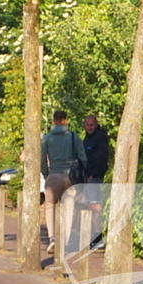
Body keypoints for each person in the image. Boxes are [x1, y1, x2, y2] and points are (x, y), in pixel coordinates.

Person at [40, 109, 87, 255]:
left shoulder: (47, 138)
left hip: (53, 175)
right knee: (68, 207)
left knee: (49, 206)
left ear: (54, 121)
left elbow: (42, 160)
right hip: (70, 177)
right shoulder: (73, 137)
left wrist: (47, 174)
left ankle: (52, 238)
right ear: (66, 121)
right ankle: (64, 241)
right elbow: (83, 158)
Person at [83, 114, 110, 249]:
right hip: (87, 177)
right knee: (89, 205)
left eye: (92, 125)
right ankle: (93, 235)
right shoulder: (88, 137)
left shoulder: (100, 138)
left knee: (95, 205)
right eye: (87, 125)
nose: (89, 127)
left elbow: (101, 158)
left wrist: (94, 174)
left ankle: (98, 237)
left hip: (94, 177)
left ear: (96, 124)